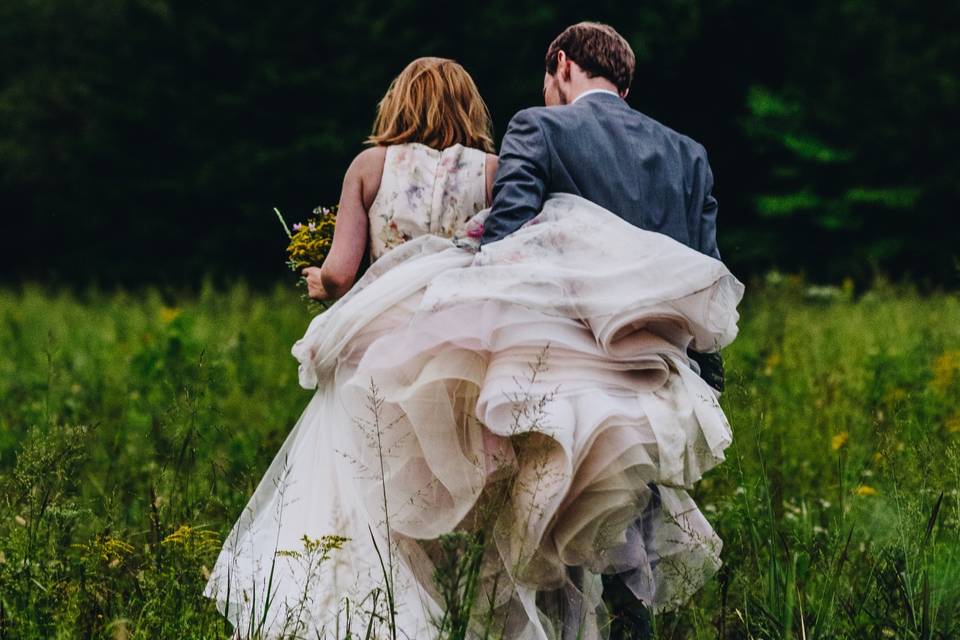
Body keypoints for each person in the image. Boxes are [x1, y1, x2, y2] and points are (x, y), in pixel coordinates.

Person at [205, 50, 744, 639]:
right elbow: (512, 254)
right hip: (460, 362)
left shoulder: (369, 167)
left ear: (397, 104)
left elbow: (338, 275)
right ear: (470, 108)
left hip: (376, 361)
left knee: (366, 506)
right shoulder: (492, 170)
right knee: (466, 520)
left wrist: (316, 279)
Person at [480, 22, 729, 635]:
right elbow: (707, 271)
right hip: (659, 369)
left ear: (562, 65)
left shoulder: (537, 128)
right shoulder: (687, 152)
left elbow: (504, 243)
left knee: (547, 531)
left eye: (547, 78)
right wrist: (707, 379)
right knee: (628, 520)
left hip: (566, 361)